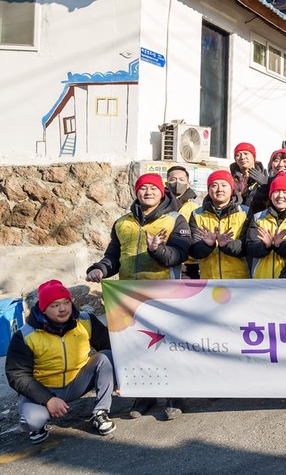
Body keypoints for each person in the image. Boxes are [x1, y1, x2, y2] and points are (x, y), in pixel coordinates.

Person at [86, 173, 190, 420]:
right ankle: (145, 394)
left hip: (165, 296)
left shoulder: (175, 220)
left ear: (162, 192)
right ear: (136, 192)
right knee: (138, 346)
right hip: (129, 298)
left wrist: (157, 250)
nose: (149, 192)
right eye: (144, 188)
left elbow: (180, 255)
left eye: (154, 188)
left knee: (168, 346)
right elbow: (113, 256)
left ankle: (175, 395)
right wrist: (100, 268)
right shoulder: (122, 223)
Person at [5, 280, 115, 444]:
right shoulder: (25, 335)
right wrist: (47, 399)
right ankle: (39, 423)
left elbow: (110, 347)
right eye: (54, 305)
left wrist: (122, 381)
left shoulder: (85, 321)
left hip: (78, 382)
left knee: (106, 356)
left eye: (66, 302)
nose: (63, 309)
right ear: (43, 309)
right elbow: (17, 375)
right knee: (31, 421)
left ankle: (100, 412)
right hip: (44, 388)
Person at [189, 170, 250, 279]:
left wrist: (226, 245)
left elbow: (247, 248)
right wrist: (207, 245)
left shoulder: (245, 213)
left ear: (231, 189)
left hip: (240, 281)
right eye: (214, 185)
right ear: (208, 190)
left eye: (224, 185)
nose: (219, 189)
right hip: (208, 280)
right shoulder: (197, 214)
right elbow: (194, 250)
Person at [246, 173, 286, 279]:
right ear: (270, 195)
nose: (280, 196)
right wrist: (266, 246)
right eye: (276, 191)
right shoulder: (258, 218)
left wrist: (280, 245)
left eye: (285, 192)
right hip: (261, 278)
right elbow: (250, 248)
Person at [166, 166, 201, 279]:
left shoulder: (196, 209)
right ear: (166, 184)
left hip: (189, 266)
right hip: (163, 261)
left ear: (188, 184)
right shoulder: (159, 207)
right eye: (173, 179)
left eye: (181, 179)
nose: (177, 182)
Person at [230, 142, 268, 208]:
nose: (242, 157)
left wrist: (266, 186)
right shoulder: (231, 180)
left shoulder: (264, 177)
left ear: (253, 157)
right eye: (238, 155)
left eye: (246, 153)